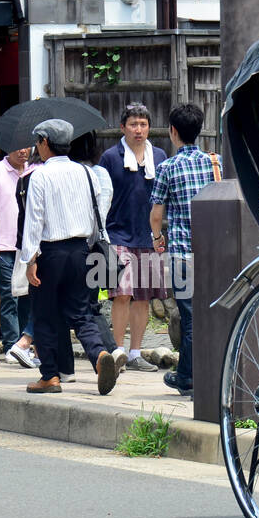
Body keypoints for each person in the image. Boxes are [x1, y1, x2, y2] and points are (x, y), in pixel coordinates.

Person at [20, 119, 127, 395]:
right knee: (81, 313)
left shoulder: (40, 176)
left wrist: (30, 260)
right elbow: (96, 216)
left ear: (45, 142)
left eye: (38, 142)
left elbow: (34, 220)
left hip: (50, 254)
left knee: (44, 314)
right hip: (81, 250)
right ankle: (100, 356)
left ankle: (50, 376)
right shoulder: (87, 173)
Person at [150, 103, 218, 397]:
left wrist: (156, 239)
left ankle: (188, 377)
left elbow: (156, 214)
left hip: (181, 252)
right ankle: (210, 372)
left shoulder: (167, 167)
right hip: (213, 251)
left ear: (173, 131)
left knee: (189, 317)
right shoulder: (215, 163)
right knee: (211, 313)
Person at [97, 103, 168, 371]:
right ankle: (117, 352)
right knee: (122, 293)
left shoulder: (159, 156)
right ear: (122, 127)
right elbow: (103, 197)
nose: (138, 130)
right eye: (133, 124)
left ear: (149, 127)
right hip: (118, 234)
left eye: (143, 124)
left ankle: (136, 352)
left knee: (143, 296)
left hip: (149, 235)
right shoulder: (110, 157)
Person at [0, 142, 42, 366]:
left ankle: (25, 345)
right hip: (2, 244)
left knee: (28, 295)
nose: (22, 151)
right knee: (8, 295)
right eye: (17, 146)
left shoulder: (35, 172)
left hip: (27, 246)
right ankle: (11, 345)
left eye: (27, 147)